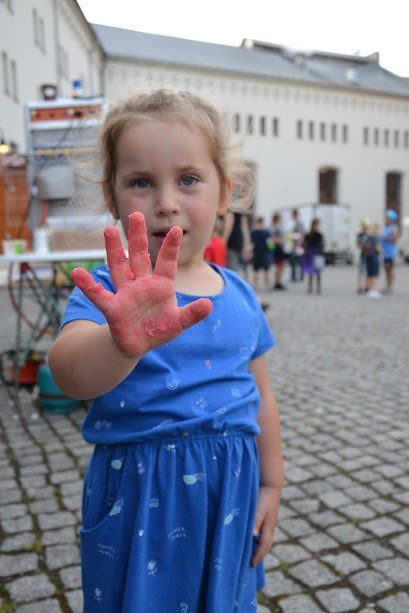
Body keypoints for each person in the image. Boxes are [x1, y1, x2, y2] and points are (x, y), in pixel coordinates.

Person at [47, 89, 284, 612]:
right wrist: (119, 343)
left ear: (224, 194)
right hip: (141, 497)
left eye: (189, 179)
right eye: (141, 182)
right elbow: (69, 373)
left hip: (231, 492)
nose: (167, 201)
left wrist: (271, 485)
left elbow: (261, 397)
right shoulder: (112, 290)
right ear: (112, 197)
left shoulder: (241, 294)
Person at [302, 217, 325, 294]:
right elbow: (304, 244)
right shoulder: (309, 235)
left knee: (318, 271)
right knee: (311, 272)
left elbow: (322, 244)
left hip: (317, 253)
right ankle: (310, 287)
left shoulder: (319, 235)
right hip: (310, 253)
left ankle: (318, 288)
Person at [250, 215, 271, 290]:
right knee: (257, 270)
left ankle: (266, 285)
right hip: (259, 253)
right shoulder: (257, 232)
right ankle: (257, 285)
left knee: (265, 270)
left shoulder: (263, 232)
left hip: (262, 252)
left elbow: (270, 243)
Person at [382, 209, 400, 294]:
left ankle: (390, 287)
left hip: (390, 253)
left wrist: (385, 238)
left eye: (388, 217)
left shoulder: (394, 228)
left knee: (390, 270)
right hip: (385, 253)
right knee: (386, 270)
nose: (386, 219)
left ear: (392, 219)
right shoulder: (387, 227)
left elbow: (395, 239)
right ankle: (387, 286)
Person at [364, 223, 382, 298]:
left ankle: (368, 289)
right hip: (374, 258)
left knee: (369, 274)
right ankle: (373, 290)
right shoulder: (376, 238)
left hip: (368, 258)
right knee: (374, 275)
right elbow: (378, 249)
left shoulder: (368, 238)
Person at [269, 212, 286, 290]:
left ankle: (278, 281)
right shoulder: (273, 228)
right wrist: (280, 240)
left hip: (280, 248)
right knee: (278, 266)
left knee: (281, 266)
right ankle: (277, 282)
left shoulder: (277, 227)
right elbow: (272, 239)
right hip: (277, 248)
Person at [288, 209, 305, 283]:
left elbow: (301, 234)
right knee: (295, 262)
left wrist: (298, 245)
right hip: (294, 245)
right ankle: (295, 277)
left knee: (297, 262)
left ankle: (297, 277)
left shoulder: (299, 223)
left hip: (297, 246)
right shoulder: (295, 223)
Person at [356, 218, 370, 294]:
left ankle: (367, 286)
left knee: (368, 272)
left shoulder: (369, 235)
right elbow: (358, 245)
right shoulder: (360, 235)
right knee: (361, 271)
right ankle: (359, 286)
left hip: (369, 255)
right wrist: (364, 245)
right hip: (363, 254)